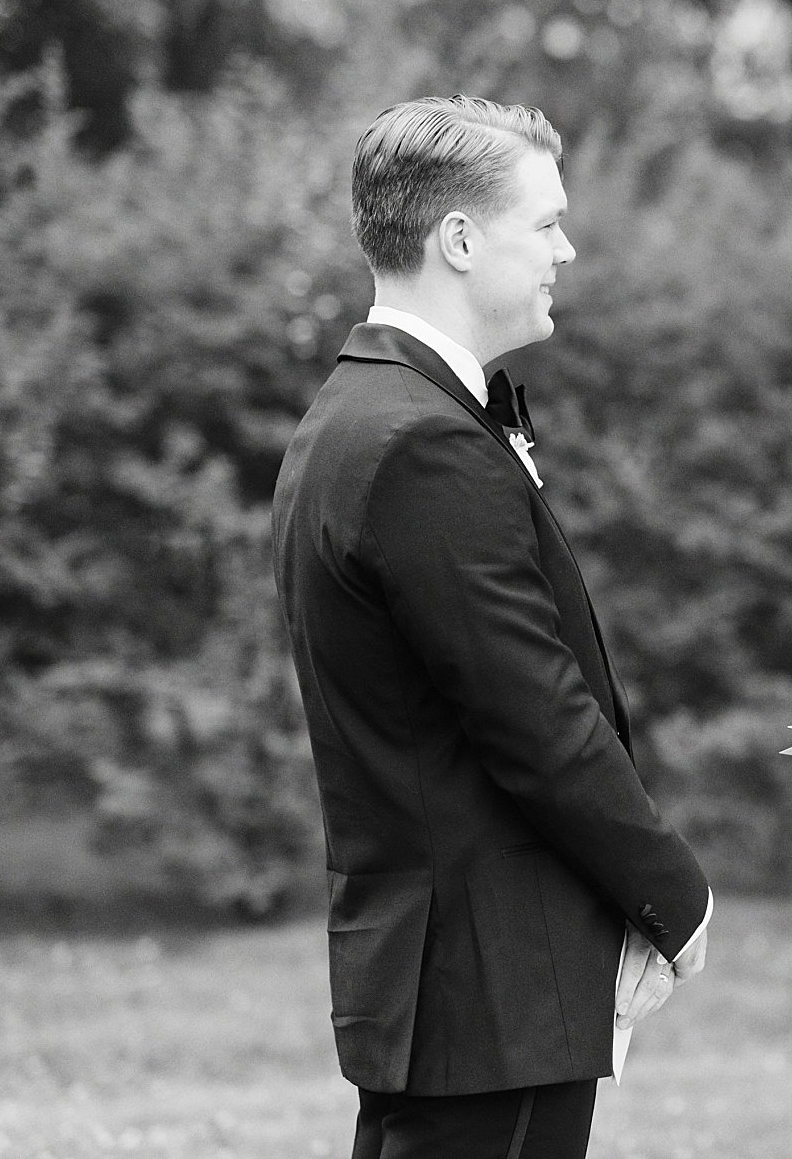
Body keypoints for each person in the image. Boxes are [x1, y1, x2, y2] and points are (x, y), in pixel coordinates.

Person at [272, 96, 711, 1158]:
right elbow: (533, 717)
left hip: (446, 972)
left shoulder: (357, 413)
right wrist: (672, 897)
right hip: (490, 972)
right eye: (545, 222)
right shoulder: (418, 441)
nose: (566, 248)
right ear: (459, 240)